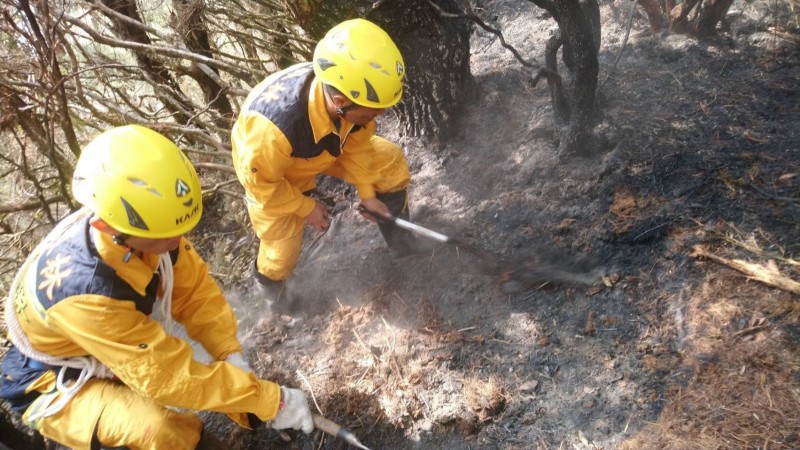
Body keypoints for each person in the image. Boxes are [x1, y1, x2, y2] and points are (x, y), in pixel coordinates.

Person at [0, 125, 314, 450]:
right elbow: (166, 377)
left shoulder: (151, 226)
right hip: (50, 380)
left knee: (220, 379)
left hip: (107, 346)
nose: (176, 243)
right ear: (106, 227)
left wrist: (229, 354)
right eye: (164, 236)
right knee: (158, 431)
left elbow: (195, 295)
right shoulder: (87, 292)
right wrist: (267, 400)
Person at [231, 18, 421, 306]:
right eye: (373, 112)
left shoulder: (348, 97)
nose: (378, 116)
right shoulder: (269, 134)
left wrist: (368, 195)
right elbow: (263, 188)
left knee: (388, 160)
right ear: (341, 102)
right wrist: (306, 207)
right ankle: (277, 298)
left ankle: (402, 242)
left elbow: (357, 144)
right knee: (281, 253)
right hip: (275, 176)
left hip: (324, 147)